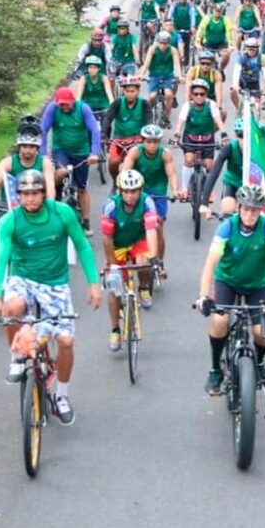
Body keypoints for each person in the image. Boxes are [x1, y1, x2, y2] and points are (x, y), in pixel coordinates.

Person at [0, 169, 101, 425]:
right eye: (24, 194)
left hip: (56, 284)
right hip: (22, 279)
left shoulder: (62, 213)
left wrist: (93, 283)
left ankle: (62, 396)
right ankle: (16, 357)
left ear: (44, 193)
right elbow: (1, 259)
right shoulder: (10, 221)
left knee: (67, 342)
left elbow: (82, 244)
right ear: (18, 195)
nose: (30, 199)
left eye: (35, 193)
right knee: (11, 307)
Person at [195, 185, 265, 394]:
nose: (250, 215)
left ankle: (258, 363)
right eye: (246, 209)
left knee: (262, 333)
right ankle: (215, 369)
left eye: (255, 210)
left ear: (261, 210)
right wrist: (203, 296)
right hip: (227, 282)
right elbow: (210, 265)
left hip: (255, 286)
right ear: (239, 207)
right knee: (220, 320)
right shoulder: (227, 228)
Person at [100, 169, 160, 348]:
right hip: (116, 245)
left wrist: (154, 257)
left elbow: (151, 231)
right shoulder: (111, 206)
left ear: (140, 190)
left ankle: (142, 288)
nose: (130, 195)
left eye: (134, 191)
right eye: (126, 191)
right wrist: (112, 265)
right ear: (119, 191)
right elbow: (106, 239)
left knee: (144, 262)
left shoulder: (147, 202)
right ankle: (115, 330)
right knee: (114, 288)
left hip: (138, 241)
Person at [121, 124, 181, 287]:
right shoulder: (135, 152)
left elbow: (172, 174)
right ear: (143, 141)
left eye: (155, 142)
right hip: (138, 191)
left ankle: (159, 262)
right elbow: (125, 171)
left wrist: (175, 190)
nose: (152, 145)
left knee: (158, 223)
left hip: (158, 193)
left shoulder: (165, 154)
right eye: (148, 141)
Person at [40, 86, 102, 234]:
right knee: (60, 173)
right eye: (61, 104)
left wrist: (94, 153)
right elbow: (42, 130)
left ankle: (86, 222)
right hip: (60, 150)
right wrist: (43, 153)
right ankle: (53, 202)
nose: (64, 107)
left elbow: (95, 130)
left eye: (66, 104)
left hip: (81, 152)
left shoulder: (83, 109)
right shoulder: (52, 109)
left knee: (82, 188)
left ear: (73, 101)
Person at [0, 124, 57, 232]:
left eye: (31, 147)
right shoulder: (8, 162)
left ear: (37, 148)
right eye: (24, 146)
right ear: (19, 147)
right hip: (11, 207)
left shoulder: (44, 163)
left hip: (35, 204)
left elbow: (50, 184)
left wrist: (50, 203)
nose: (27, 150)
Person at [173, 80, 226, 191]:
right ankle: (185, 189)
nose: (198, 96)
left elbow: (218, 120)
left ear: (206, 94)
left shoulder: (211, 105)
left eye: (202, 94)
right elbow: (180, 122)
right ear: (191, 94)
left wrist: (224, 134)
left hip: (207, 138)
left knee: (209, 165)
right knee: (188, 159)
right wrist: (176, 135)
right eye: (195, 94)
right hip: (190, 137)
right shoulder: (187, 106)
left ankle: (208, 190)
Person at [100, 76, 152, 182]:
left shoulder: (144, 104)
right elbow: (108, 118)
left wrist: (148, 134)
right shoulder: (118, 103)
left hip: (138, 140)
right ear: (123, 91)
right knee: (113, 162)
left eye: (133, 91)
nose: (130, 94)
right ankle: (116, 182)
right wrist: (104, 134)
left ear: (138, 91)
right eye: (127, 91)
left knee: (142, 163)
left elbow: (149, 120)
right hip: (119, 140)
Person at [200, 117, 248, 218]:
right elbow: (213, 174)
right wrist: (204, 204)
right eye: (241, 136)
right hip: (233, 182)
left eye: (248, 136)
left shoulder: (259, 148)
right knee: (227, 210)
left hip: (253, 185)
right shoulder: (229, 148)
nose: (244, 140)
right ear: (235, 135)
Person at [140, 31, 183, 121]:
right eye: (161, 43)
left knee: (169, 94)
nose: (163, 45)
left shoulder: (172, 50)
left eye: (165, 43)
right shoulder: (152, 49)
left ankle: (166, 117)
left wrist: (179, 75)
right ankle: (148, 114)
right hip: (154, 76)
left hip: (167, 76)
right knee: (152, 96)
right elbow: (146, 64)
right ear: (158, 42)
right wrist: (141, 75)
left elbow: (176, 64)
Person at [232, 36, 265, 112]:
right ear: (245, 48)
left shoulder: (261, 58)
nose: (251, 51)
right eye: (249, 48)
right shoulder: (241, 57)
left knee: (256, 108)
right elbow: (236, 71)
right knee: (233, 91)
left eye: (254, 49)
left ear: (257, 49)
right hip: (242, 82)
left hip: (254, 83)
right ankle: (238, 109)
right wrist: (235, 85)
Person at [183, 49, 225, 116]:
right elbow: (188, 90)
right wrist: (186, 106)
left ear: (212, 64)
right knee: (186, 114)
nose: (205, 66)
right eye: (203, 63)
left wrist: (219, 107)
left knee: (223, 112)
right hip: (195, 97)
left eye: (208, 64)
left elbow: (218, 93)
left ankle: (216, 126)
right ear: (199, 63)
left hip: (211, 98)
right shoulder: (192, 71)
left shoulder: (216, 74)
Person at [195, 2, 235, 72]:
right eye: (216, 10)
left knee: (226, 55)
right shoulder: (207, 19)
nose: (218, 12)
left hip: (221, 43)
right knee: (203, 59)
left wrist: (231, 46)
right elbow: (200, 31)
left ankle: (221, 69)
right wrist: (197, 43)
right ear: (212, 10)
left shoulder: (226, 20)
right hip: (208, 43)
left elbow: (230, 33)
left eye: (219, 11)